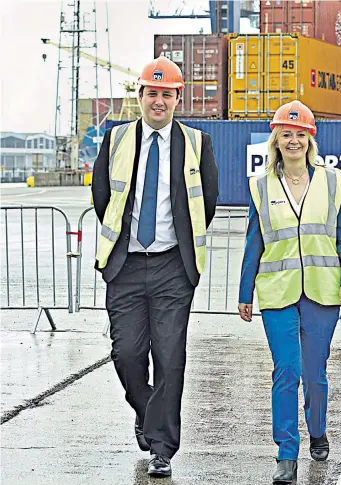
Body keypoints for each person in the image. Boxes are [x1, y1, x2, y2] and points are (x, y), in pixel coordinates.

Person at [91, 56, 219, 478]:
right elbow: (101, 197)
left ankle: (162, 447)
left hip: (171, 268)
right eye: (152, 93)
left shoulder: (198, 143)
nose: (159, 101)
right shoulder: (117, 138)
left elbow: (208, 203)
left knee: (170, 356)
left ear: (178, 98)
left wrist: (179, 249)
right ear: (141, 96)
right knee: (126, 353)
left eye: (167, 94)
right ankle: (147, 411)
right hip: (126, 265)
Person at [238, 100, 341, 484]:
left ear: (310, 139)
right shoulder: (261, 186)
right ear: (276, 140)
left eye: (300, 134)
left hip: (323, 291)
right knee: (286, 371)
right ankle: (286, 453)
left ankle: (318, 429)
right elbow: (253, 242)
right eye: (286, 134)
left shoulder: (332, 181)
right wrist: (245, 292)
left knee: (315, 373)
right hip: (276, 292)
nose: (293, 140)